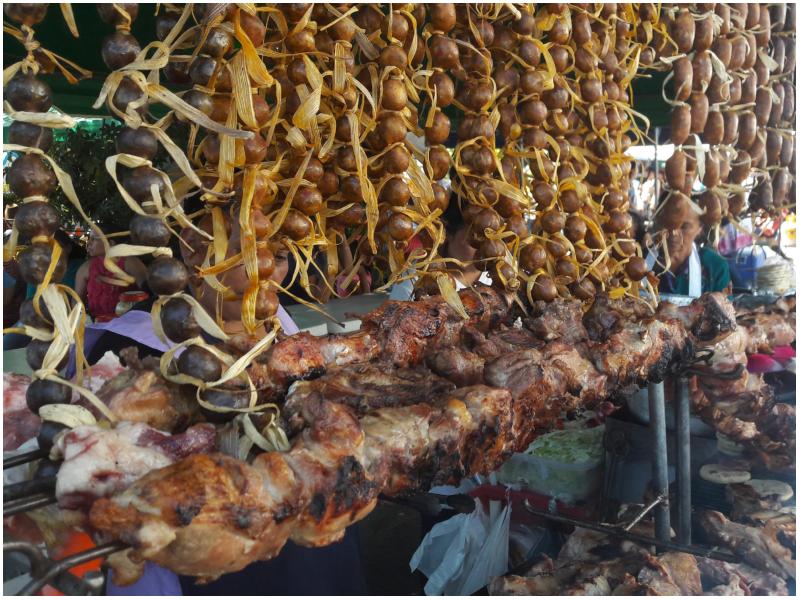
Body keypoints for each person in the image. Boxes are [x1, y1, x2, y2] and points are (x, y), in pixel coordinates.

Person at [85, 222, 366, 596]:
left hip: (315, 544)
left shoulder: (277, 322)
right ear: (192, 247)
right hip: (207, 566)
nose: (268, 270)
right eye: (250, 251)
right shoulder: (125, 350)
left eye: (281, 256)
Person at [389, 198, 492, 300]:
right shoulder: (414, 281)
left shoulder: (496, 277)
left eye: (492, 236)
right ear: (447, 233)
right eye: (477, 238)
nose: (487, 247)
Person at [647, 193, 731, 297]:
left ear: (699, 228)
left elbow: (725, 306)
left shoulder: (716, 267)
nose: (674, 233)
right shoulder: (638, 258)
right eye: (668, 224)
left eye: (684, 227)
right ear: (657, 222)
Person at [74, 232, 147, 321]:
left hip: (129, 323)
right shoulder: (86, 268)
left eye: (94, 239)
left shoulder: (130, 263)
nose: (88, 243)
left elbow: (148, 293)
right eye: (89, 239)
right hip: (96, 324)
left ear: (111, 243)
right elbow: (76, 302)